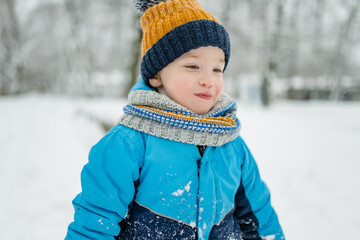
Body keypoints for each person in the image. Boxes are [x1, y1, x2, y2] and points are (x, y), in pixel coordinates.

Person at [65, 0, 285, 239]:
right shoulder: (130, 143)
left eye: (217, 69)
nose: (208, 80)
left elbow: (260, 219)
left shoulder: (231, 143)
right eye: (193, 66)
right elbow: (95, 225)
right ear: (157, 75)